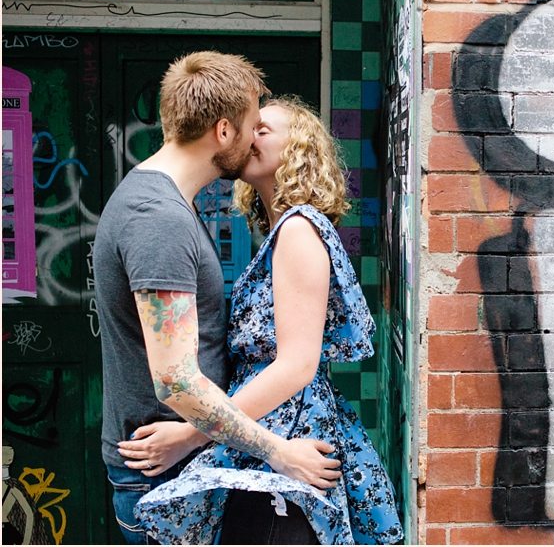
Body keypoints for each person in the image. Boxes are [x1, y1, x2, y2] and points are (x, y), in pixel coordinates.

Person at [129, 96, 404, 545]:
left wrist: (190, 434)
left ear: (297, 151)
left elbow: (296, 365)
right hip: (274, 433)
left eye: (263, 130)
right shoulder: (280, 232)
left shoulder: (298, 229)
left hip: (288, 435)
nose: (248, 135)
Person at [93, 53, 342, 545]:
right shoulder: (157, 219)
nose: (255, 138)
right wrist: (278, 451)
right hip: (161, 472)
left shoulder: (167, 204)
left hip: (179, 462)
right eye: (253, 125)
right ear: (224, 132)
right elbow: (176, 381)